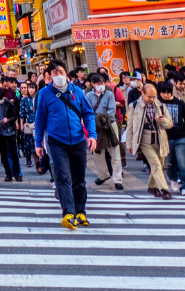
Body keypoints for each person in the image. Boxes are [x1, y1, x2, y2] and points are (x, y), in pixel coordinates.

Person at [34, 59, 97, 228]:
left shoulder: (78, 92)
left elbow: (89, 114)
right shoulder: (44, 94)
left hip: (78, 139)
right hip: (56, 140)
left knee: (79, 177)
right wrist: (38, 142)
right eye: (55, 73)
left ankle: (81, 212)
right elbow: (40, 119)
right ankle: (69, 212)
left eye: (61, 72)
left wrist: (92, 135)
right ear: (49, 76)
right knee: (63, 176)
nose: (59, 75)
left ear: (67, 73)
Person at [126, 81, 173, 198]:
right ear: (142, 93)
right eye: (149, 96)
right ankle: (164, 189)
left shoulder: (160, 105)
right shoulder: (134, 105)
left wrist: (163, 121)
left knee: (158, 165)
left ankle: (152, 187)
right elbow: (130, 127)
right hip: (144, 140)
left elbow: (170, 123)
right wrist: (130, 144)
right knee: (156, 164)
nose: (152, 99)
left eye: (154, 96)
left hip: (160, 139)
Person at [157, 80, 185, 195]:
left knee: (182, 163)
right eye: (163, 92)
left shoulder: (179, 102)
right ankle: (173, 180)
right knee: (168, 163)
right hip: (164, 138)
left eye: (168, 92)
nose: (166, 95)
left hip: (180, 136)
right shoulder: (157, 103)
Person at [88, 74, 124, 189]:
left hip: (109, 126)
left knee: (115, 152)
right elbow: (88, 111)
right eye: (98, 83)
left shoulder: (109, 94)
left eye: (102, 83)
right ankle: (103, 175)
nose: (100, 85)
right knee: (97, 153)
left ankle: (118, 179)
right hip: (95, 127)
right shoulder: (88, 95)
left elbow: (112, 111)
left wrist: (99, 119)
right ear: (92, 84)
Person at [0, 84, 22, 181]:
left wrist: (8, 120)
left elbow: (15, 115)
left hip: (10, 130)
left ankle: (17, 173)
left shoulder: (8, 103)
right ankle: (8, 173)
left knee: (14, 153)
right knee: (3, 154)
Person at [19, 82, 37, 169]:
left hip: (37, 123)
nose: (31, 90)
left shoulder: (38, 98)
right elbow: (22, 113)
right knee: (29, 143)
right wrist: (21, 124)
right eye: (29, 88)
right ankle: (29, 159)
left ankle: (40, 162)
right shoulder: (24, 100)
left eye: (33, 88)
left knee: (36, 142)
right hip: (28, 123)